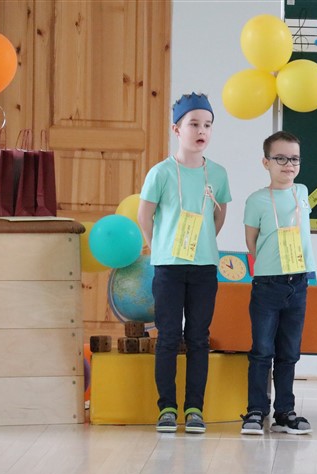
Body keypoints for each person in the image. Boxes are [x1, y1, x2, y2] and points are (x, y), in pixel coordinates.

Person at [138, 92, 232, 434]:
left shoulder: (217, 174)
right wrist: (159, 249)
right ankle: (167, 408)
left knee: (198, 338)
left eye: (207, 125)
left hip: (204, 267)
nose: (201, 130)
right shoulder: (161, 172)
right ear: (176, 129)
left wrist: (203, 245)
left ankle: (194, 408)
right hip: (168, 267)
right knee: (167, 337)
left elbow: (219, 217)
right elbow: (144, 216)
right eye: (194, 124)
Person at [240, 131, 317, 436]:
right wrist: (269, 265)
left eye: (294, 159)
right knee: (262, 349)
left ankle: (285, 412)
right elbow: (251, 242)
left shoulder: (302, 191)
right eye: (281, 158)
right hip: (267, 283)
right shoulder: (257, 200)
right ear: (266, 162)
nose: (289, 165)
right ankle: (256, 410)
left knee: (289, 351)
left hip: (298, 281)